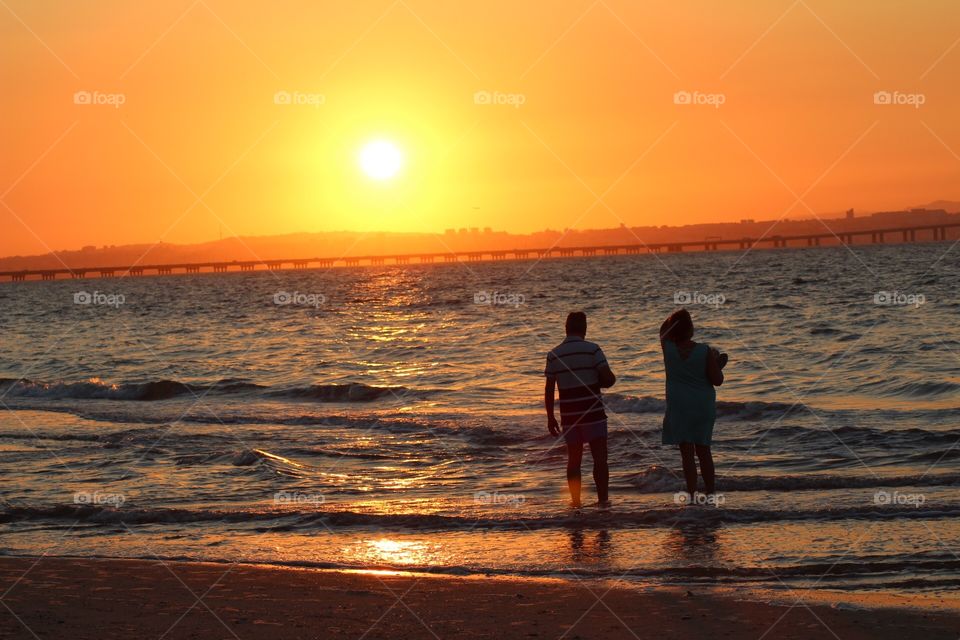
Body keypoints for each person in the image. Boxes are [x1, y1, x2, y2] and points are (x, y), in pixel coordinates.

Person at [544, 311, 616, 509]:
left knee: (574, 460)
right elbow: (608, 378)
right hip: (593, 414)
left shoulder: (554, 354)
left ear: (566, 328)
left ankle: (576, 503)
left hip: (570, 416)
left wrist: (550, 417)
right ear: (584, 328)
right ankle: (603, 501)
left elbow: (549, 389)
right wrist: (601, 380)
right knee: (600, 459)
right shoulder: (593, 350)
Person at [659, 308, 727, 504]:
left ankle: (691, 495)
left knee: (687, 453)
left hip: (679, 405)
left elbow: (662, 328)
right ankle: (711, 493)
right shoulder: (704, 350)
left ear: (672, 330)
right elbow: (717, 380)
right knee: (704, 450)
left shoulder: (668, 347)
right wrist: (715, 367)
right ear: (691, 328)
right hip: (701, 406)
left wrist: (673, 318)